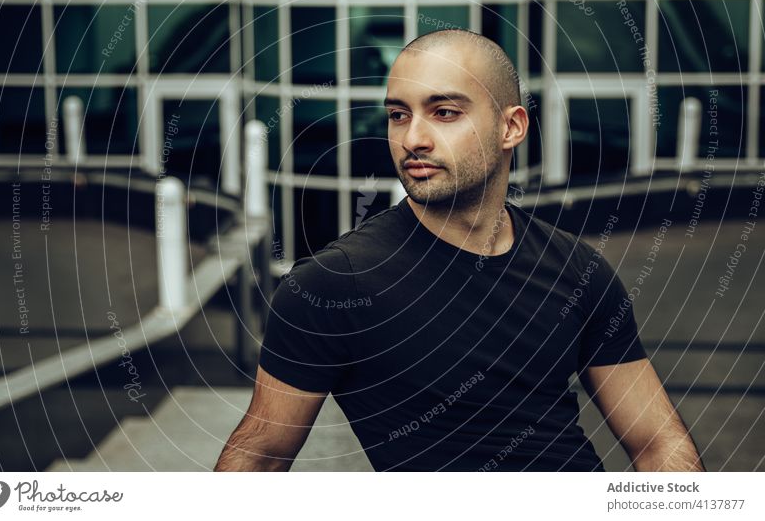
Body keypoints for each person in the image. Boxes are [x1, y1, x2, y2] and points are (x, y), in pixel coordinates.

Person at [214, 28, 705, 472]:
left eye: (444, 112)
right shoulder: (334, 284)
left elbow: (657, 441)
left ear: (511, 127)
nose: (413, 139)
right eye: (398, 115)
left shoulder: (578, 270)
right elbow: (260, 456)